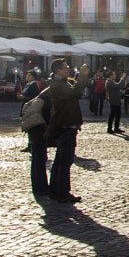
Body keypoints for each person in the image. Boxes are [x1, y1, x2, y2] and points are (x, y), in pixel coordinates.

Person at [37, 61, 81, 204]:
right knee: (65, 161)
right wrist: (84, 77)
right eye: (66, 68)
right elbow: (75, 92)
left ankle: (55, 190)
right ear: (58, 70)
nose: (68, 70)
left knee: (60, 160)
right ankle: (62, 192)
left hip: (66, 124)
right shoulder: (57, 85)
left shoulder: (61, 82)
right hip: (65, 125)